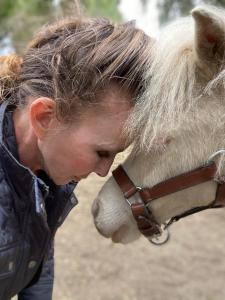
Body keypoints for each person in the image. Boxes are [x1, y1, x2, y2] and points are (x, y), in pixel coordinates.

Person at [0, 16, 151, 299]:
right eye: (102, 152)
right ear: (44, 118)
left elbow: (38, 254)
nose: (104, 171)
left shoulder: (48, 168)